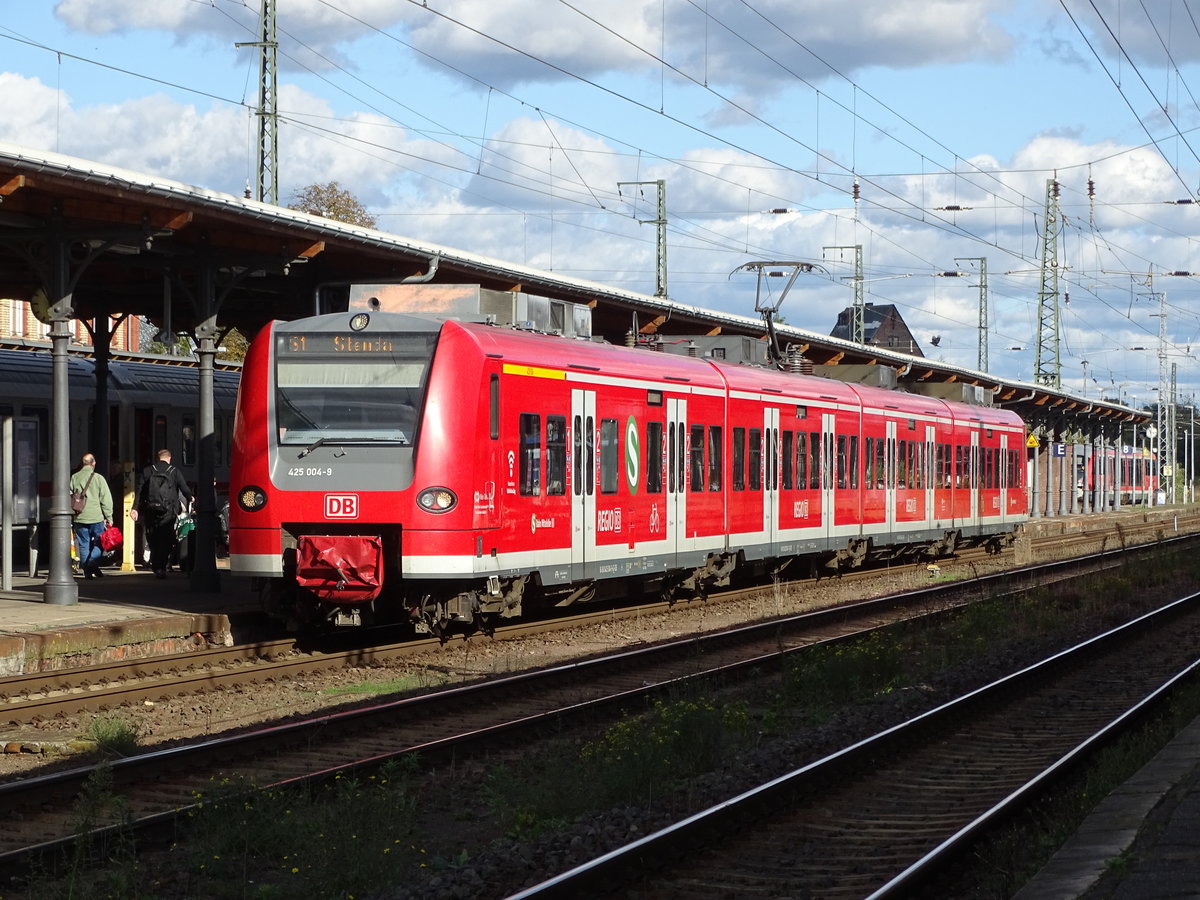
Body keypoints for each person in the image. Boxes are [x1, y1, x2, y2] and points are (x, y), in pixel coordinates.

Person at [131, 448, 194, 579]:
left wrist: (135, 508)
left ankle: (155, 564)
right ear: (169, 458)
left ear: (158, 458)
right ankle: (161, 566)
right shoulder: (174, 471)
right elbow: (184, 488)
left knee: (152, 538)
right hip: (168, 511)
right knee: (165, 539)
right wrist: (191, 498)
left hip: (151, 510)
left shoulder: (148, 471)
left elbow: (140, 491)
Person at [70, 452, 113, 579]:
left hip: (79, 516)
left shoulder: (74, 477)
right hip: (96, 517)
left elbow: (69, 495)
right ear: (93, 463)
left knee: (83, 544)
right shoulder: (99, 478)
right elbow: (106, 500)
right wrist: (109, 517)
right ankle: (90, 563)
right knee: (100, 543)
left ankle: (88, 571)